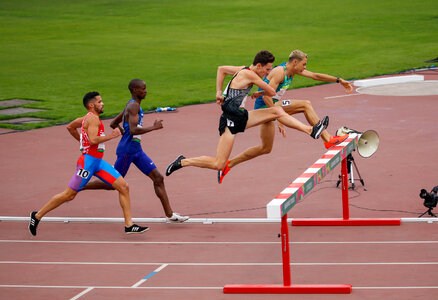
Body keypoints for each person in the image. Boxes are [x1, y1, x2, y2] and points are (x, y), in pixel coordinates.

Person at [165, 50, 329, 176]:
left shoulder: (242, 69)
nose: (267, 73)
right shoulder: (252, 75)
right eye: (267, 69)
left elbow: (221, 69)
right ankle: (183, 161)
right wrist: (263, 89)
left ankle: (311, 130)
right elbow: (271, 91)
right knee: (219, 164)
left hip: (242, 116)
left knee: (276, 111)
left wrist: (219, 92)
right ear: (258, 66)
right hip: (230, 121)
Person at [217, 49, 353, 183]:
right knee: (305, 104)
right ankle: (327, 139)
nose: (305, 68)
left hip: (275, 106)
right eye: (303, 64)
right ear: (295, 62)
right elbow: (266, 97)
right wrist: (278, 116)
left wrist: (338, 80)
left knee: (265, 148)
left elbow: (315, 76)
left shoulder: (293, 70)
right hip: (266, 107)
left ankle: (228, 165)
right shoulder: (279, 72)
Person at [29, 92, 149, 236]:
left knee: (123, 186)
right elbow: (92, 140)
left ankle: (129, 225)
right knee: (69, 195)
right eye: (100, 101)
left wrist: (82, 142)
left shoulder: (87, 118)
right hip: (87, 164)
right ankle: (37, 216)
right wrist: (112, 136)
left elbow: (70, 127)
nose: (103, 103)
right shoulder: (93, 119)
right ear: (92, 105)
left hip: (98, 162)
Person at [74, 79, 189, 223]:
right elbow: (134, 130)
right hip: (127, 152)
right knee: (112, 184)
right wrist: (154, 127)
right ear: (135, 90)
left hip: (136, 150)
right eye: (143, 89)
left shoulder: (132, 105)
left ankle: (170, 215)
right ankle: (81, 185)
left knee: (158, 178)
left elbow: (113, 123)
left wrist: (124, 133)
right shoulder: (133, 106)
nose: (146, 91)